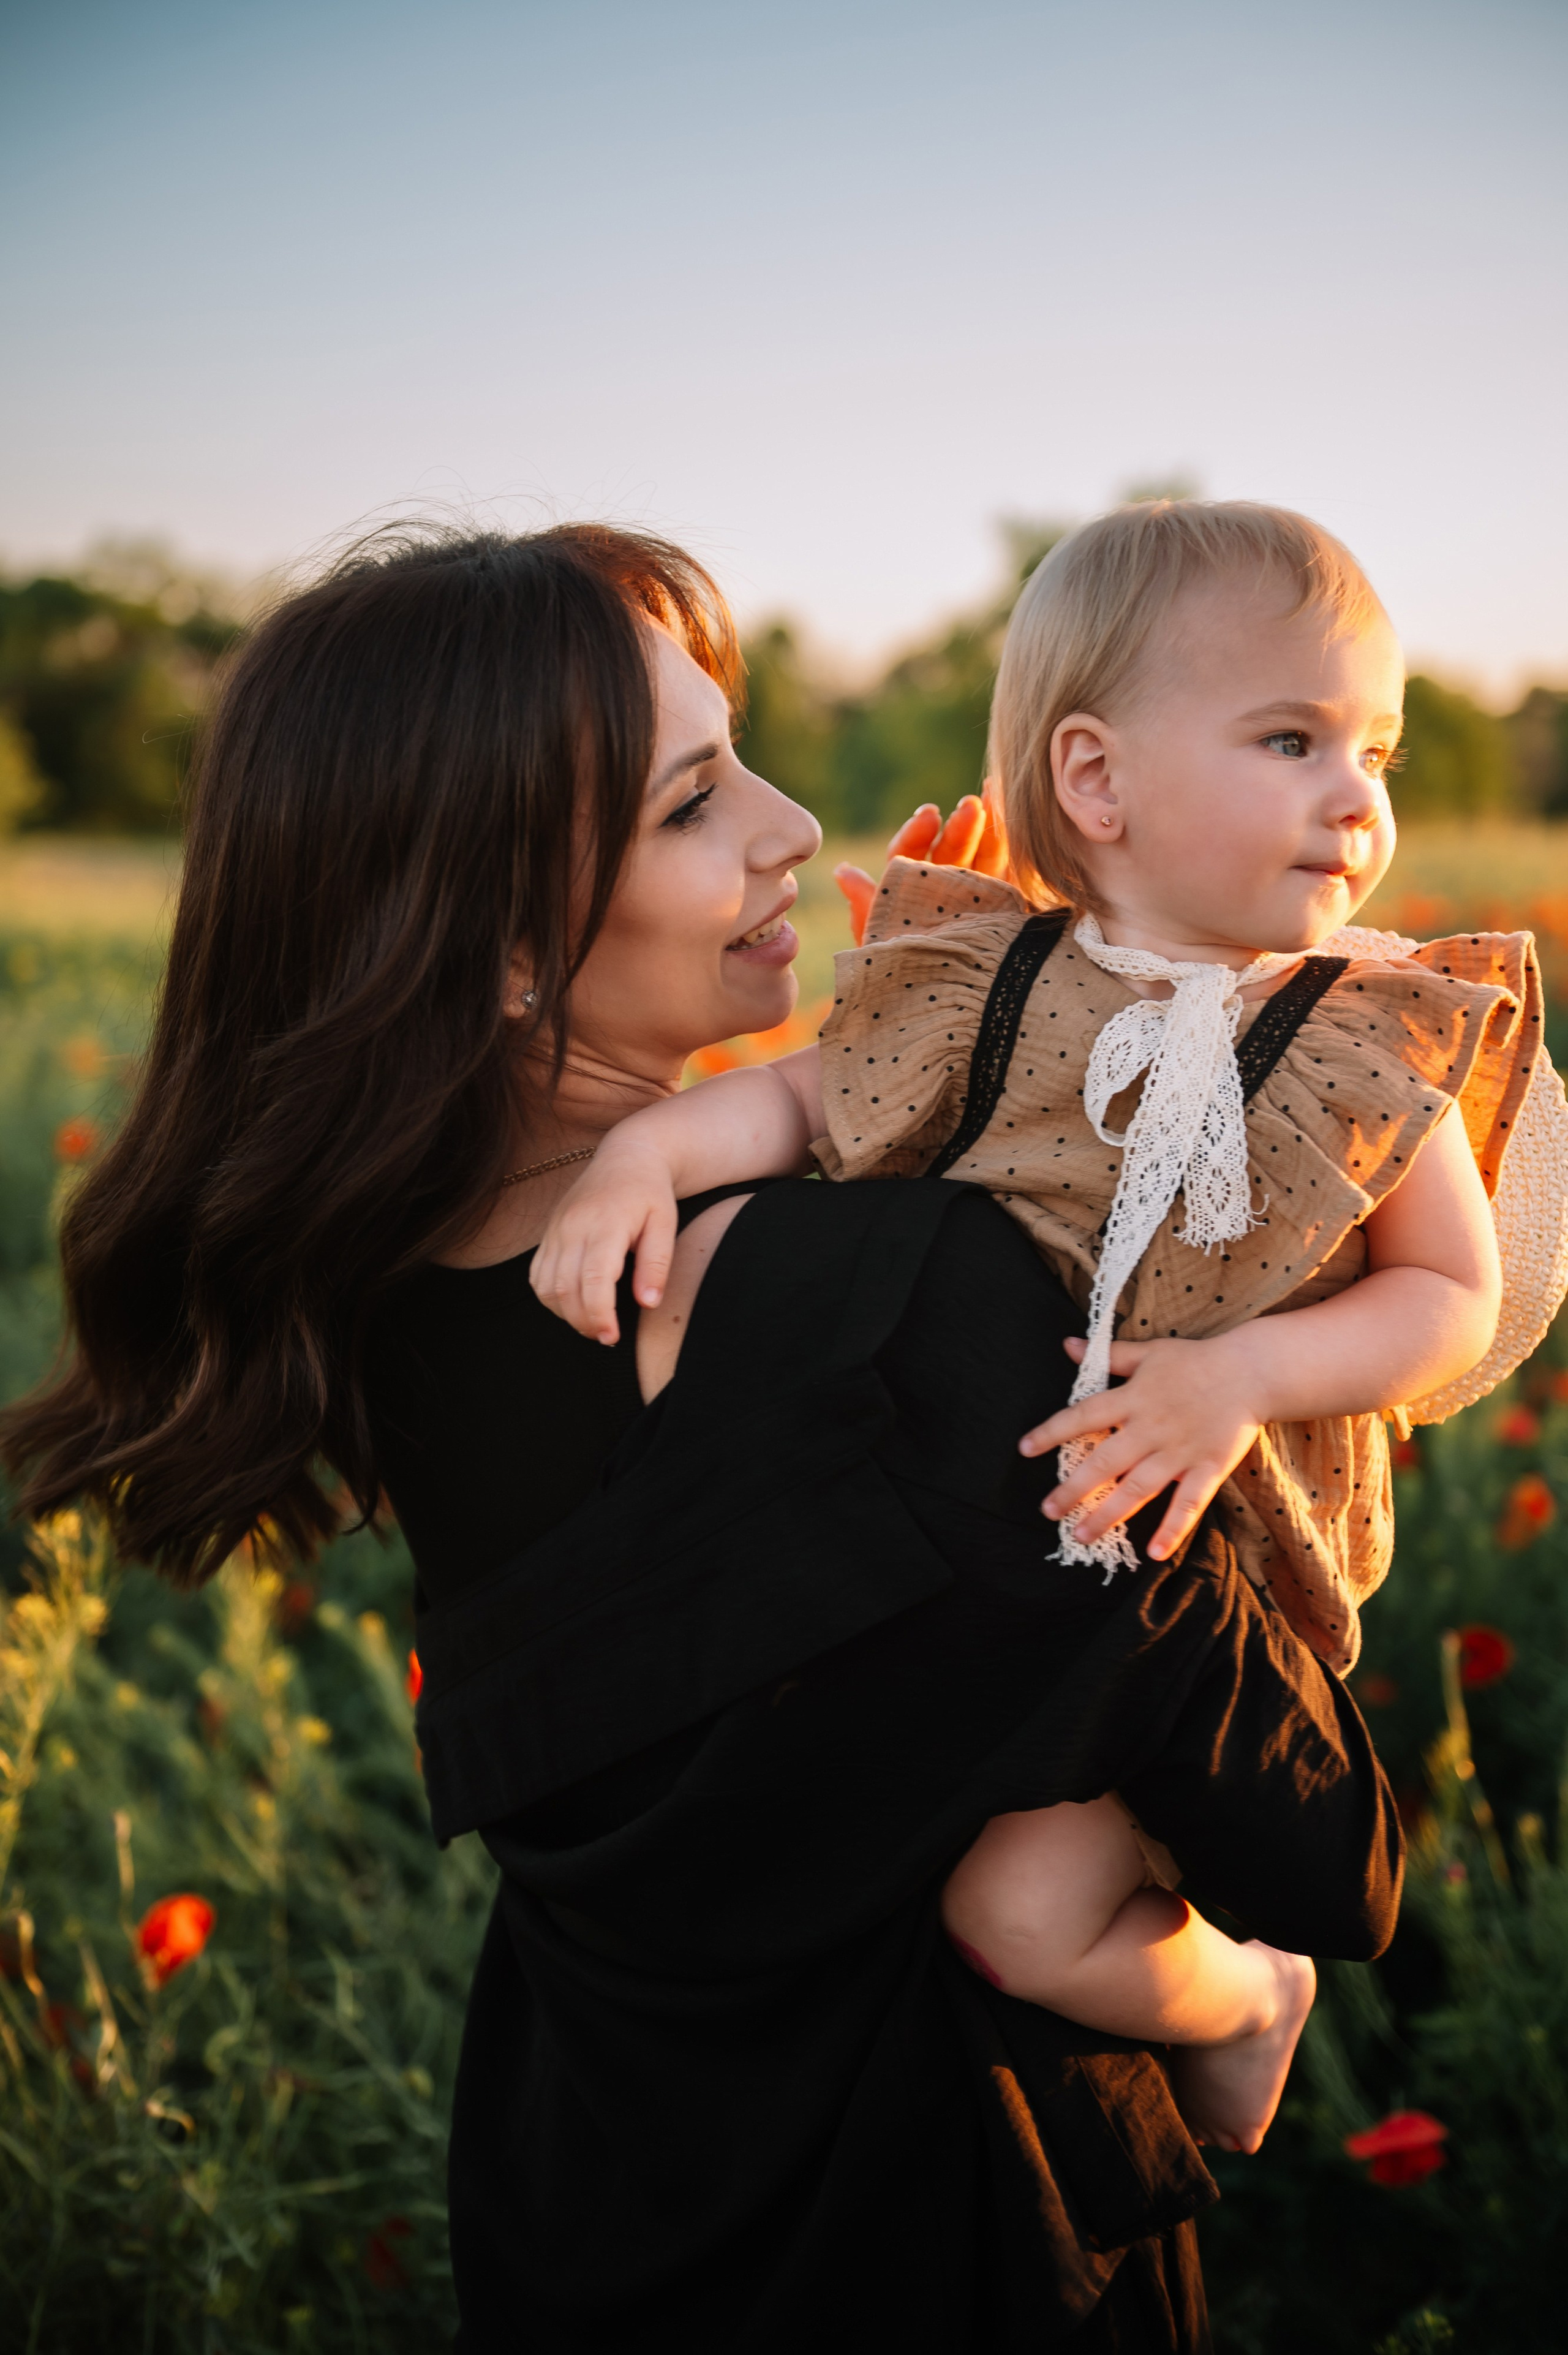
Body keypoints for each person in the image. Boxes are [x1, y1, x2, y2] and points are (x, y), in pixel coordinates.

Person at [0, 521, 1403, 2352]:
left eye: (738, 749)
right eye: (688, 802)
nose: (791, 826)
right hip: (956, 2244)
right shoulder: (903, 1310)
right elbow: (1333, 1861)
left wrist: (980, 1042)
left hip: (588, 2212)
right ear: (501, 942)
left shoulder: (374, 1312)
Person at [529, 499, 1568, 2158]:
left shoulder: (1364, 1037)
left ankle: (1250, 2003)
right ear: (1095, 782)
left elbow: (1454, 1301)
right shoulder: (995, 987)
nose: (1356, 795)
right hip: (980, 1563)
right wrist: (644, 1155)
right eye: (1291, 739)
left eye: (1373, 747)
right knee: (877, 1869)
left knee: (1016, 1912)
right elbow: (803, 1102)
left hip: (1211, 1583)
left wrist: (1245, 1374)